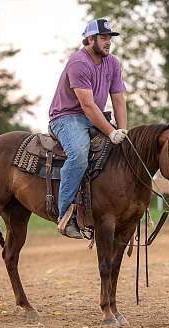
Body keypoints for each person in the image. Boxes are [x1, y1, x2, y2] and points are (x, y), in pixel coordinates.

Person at [48, 18, 128, 239]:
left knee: (120, 151)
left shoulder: (112, 63)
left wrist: (123, 131)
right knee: (79, 153)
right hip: (67, 117)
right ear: (89, 39)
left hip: (93, 117)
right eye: (103, 38)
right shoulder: (78, 63)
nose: (108, 42)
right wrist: (111, 132)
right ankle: (65, 215)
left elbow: (119, 98)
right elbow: (87, 105)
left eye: (110, 38)